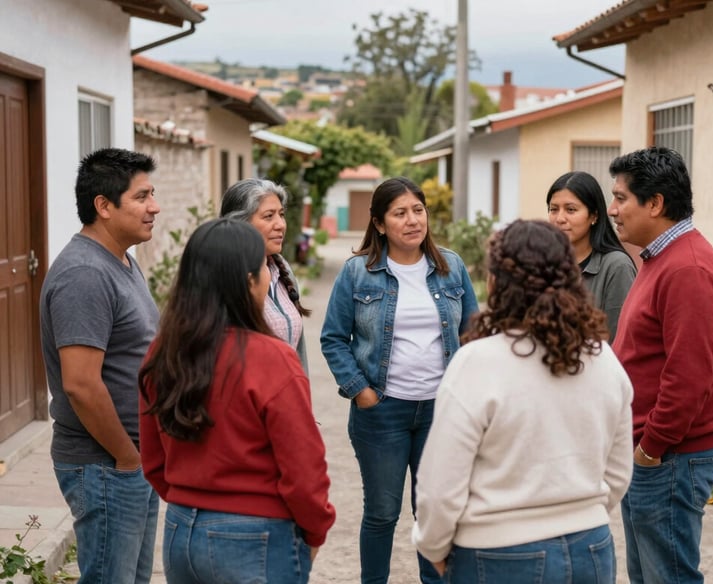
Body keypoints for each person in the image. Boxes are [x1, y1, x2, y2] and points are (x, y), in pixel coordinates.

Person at [413, 219, 634, 583]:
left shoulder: (476, 362)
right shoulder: (603, 359)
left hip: (497, 554)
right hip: (591, 549)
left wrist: (433, 548)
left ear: (497, 282)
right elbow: (618, 469)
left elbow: (440, 485)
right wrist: (580, 512)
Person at [139, 218, 335, 584]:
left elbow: (152, 459)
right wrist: (315, 530)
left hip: (181, 531)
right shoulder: (271, 359)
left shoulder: (162, 353)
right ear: (248, 281)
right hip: (254, 534)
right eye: (263, 266)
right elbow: (304, 468)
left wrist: (190, 497)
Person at [321, 177, 478, 584]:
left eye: (418, 210)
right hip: (382, 412)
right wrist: (362, 392)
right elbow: (333, 338)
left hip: (441, 414)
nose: (413, 221)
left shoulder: (451, 265)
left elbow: (473, 333)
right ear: (379, 223)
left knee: (434, 511)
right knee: (382, 512)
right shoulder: (359, 272)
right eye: (400, 213)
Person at [608, 146, 713, 584]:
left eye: (621, 198)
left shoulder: (688, 269)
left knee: (670, 577)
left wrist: (651, 448)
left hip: (670, 458)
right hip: (651, 453)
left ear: (655, 203)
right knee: (647, 576)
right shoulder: (660, 258)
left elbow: (688, 378)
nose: (613, 210)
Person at [39, 148, 161, 583]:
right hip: (105, 463)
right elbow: (81, 385)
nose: (155, 206)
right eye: (142, 196)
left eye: (153, 194)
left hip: (130, 459)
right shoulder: (85, 274)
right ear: (104, 206)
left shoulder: (121, 261)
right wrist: (127, 458)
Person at [221, 178, 310, 372]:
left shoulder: (281, 269)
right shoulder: (225, 277)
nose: (281, 225)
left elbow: (299, 354)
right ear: (240, 223)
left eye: (281, 214)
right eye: (269, 216)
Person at [547, 170, 636, 341]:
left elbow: (620, 340)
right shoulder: (546, 264)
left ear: (594, 215)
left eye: (571, 210)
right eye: (553, 209)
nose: (559, 218)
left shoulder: (616, 266)